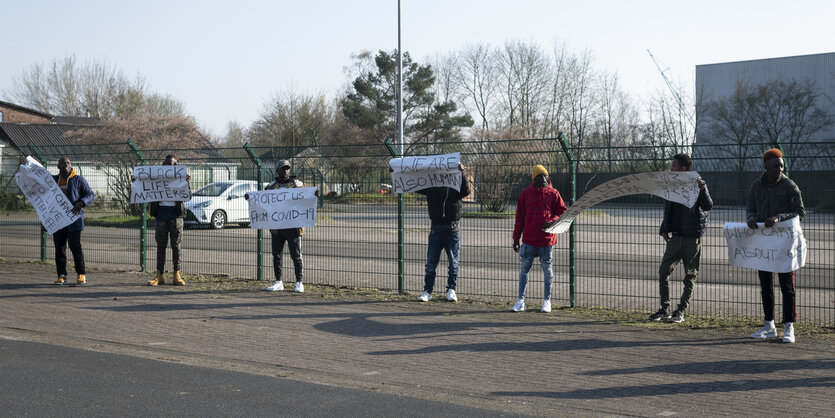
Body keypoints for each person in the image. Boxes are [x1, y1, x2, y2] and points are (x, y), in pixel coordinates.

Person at [747, 148, 805, 343]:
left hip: (784, 243)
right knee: (766, 285)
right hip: (764, 242)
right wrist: (751, 218)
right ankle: (769, 325)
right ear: (766, 166)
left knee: (786, 285)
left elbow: (800, 212)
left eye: (781, 166)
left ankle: (789, 326)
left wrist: (779, 217)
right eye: (775, 166)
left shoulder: (789, 186)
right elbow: (750, 207)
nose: (780, 169)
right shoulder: (757, 186)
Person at [649, 154, 712, 323]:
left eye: (674, 166)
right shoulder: (672, 185)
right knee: (664, 272)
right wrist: (664, 229)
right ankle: (664, 309)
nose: (671, 169)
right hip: (675, 238)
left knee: (689, 276)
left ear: (683, 168)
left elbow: (708, 206)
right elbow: (668, 209)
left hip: (692, 239)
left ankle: (680, 311)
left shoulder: (697, 183)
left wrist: (701, 190)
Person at [249, 160, 316, 293]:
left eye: (287, 168)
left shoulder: (298, 186)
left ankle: (299, 282)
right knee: (277, 255)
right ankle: (278, 281)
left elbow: (308, 198)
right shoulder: (271, 187)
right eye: (282, 168)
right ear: (277, 171)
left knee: (296, 255)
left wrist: (315, 195)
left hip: (294, 227)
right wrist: (250, 198)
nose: (285, 171)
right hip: (277, 227)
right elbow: (261, 201)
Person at [511, 164, 567, 312]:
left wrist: (553, 220)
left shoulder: (553, 193)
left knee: (548, 271)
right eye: (539, 176)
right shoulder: (525, 194)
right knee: (524, 271)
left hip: (546, 241)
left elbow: (562, 211)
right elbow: (519, 218)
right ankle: (521, 301)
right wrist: (516, 238)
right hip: (529, 241)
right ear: (533, 179)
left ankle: (547, 301)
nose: (543, 179)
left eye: (544, 176)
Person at [415, 163, 470, 302]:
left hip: (452, 230)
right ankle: (427, 291)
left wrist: (461, 173)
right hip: (436, 230)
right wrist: (397, 173)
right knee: (431, 263)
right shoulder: (431, 186)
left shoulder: (455, 184)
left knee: (453, 262)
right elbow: (414, 185)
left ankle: (451, 289)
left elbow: (466, 191)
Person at [146, 154, 190, 286]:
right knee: (161, 246)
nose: (167, 167)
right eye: (165, 165)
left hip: (176, 216)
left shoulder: (181, 179)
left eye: (171, 165)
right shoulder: (157, 179)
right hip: (160, 214)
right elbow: (144, 187)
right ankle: (160, 275)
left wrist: (187, 184)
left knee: (176, 246)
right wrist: (137, 181)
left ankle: (177, 274)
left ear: (176, 166)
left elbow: (189, 196)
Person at [52, 157, 95, 285]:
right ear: (58, 166)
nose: (65, 165)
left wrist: (82, 202)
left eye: (68, 163)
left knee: (75, 246)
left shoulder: (79, 180)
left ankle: (81, 274)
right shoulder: (53, 181)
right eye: (62, 163)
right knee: (59, 248)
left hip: (73, 220)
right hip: (58, 219)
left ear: (71, 166)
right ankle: (61, 275)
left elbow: (90, 194)